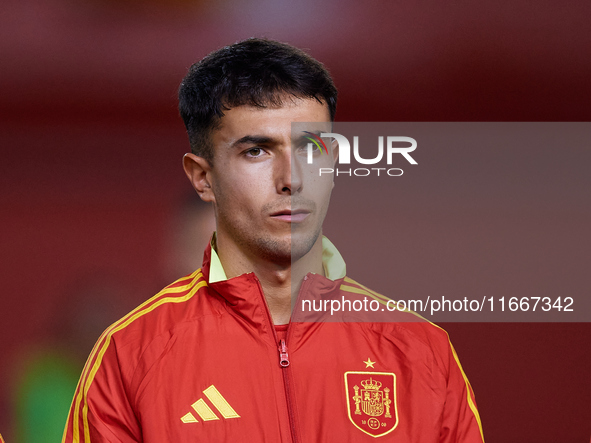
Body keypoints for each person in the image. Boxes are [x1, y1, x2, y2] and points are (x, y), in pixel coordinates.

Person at [62, 38, 484, 442]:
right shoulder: (131, 355)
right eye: (257, 151)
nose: (292, 179)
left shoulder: (420, 351)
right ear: (203, 177)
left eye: (312, 148)